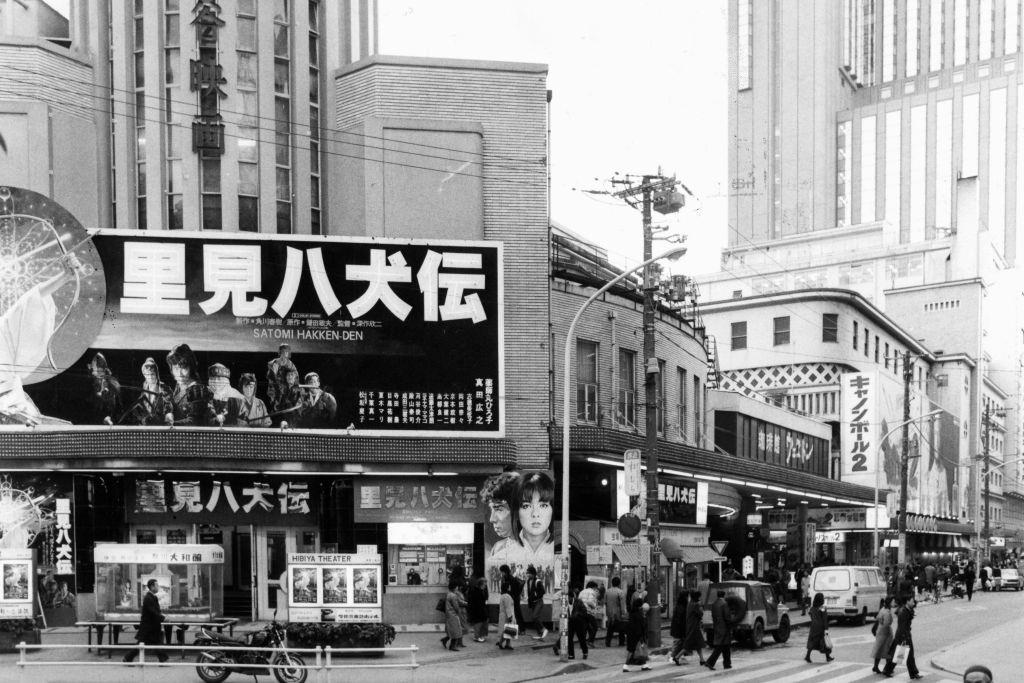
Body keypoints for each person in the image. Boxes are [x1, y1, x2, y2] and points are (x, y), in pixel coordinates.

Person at [165, 343, 214, 426]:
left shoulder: (197, 389)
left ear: (191, 367)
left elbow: (195, 422)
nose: (180, 373)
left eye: (184, 368)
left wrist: (168, 425)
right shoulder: (179, 385)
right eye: (176, 368)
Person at [123, 579, 168, 663]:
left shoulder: (152, 597)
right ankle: (127, 658)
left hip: (151, 626)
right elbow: (153, 611)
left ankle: (163, 659)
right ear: (152, 587)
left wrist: (161, 616)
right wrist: (163, 618)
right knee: (147, 643)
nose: (158, 587)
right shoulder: (148, 598)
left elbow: (155, 611)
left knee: (154, 642)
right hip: (148, 627)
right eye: (156, 585)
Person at [883, 596, 922, 679]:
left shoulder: (906, 610)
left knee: (907, 655)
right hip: (903, 636)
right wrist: (904, 638)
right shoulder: (903, 612)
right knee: (900, 655)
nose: (913, 603)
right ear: (907, 601)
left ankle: (913, 673)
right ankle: (887, 670)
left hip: (904, 635)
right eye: (912, 601)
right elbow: (902, 626)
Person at [88, 352, 122, 424]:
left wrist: (106, 389)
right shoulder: (94, 381)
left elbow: (116, 389)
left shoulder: (108, 379)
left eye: (100, 368)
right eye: (96, 369)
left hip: (109, 410)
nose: (98, 371)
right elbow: (94, 394)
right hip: (98, 411)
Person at [704, 589, 733, 671]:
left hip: (717, 626)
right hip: (724, 627)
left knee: (726, 646)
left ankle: (727, 663)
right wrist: (730, 626)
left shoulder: (714, 604)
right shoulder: (724, 604)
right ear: (724, 595)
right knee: (720, 647)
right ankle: (710, 662)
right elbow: (727, 617)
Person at [623, 594, 651, 672]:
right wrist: (642, 637)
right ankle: (625, 665)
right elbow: (641, 626)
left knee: (634, 650)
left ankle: (644, 665)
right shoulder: (639, 615)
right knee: (636, 650)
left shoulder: (632, 613)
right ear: (640, 606)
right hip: (637, 635)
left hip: (631, 634)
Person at [805, 592, 834, 663]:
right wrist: (826, 629)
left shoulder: (812, 608)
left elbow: (810, 615)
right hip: (820, 627)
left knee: (813, 641)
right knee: (824, 641)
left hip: (814, 626)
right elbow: (824, 619)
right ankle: (828, 657)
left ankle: (807, 656)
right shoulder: (822, 608)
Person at [266, 344, 297, 411]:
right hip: (275, 389)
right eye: (283, 352)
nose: (285, 354)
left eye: (287, 352)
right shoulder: (274, 363)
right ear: (280, 352)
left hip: (287, 390)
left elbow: (295, 378)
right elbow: (271, 379)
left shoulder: (291, 365)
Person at [683, 589, 708, 666]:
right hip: (694, 626)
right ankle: (677, 657)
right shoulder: (695, 605)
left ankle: (702, 659)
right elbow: (701, 613)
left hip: (691, 625)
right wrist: (700, 606)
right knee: (689, 644)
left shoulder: (690, 603)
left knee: (698, 644)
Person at [441, 578, 467, 651]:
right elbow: (456, 606)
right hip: (453, 615)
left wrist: (466, 604)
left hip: (449, 614)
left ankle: (445, 640)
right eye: (457, 586)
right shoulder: (453, 595)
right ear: (455, 587)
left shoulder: (449, 594)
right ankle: (452, 646)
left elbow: (459, 602)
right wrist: (459, 612)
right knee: (456, 630)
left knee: (453, 630)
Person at [871, 596, 895, 674]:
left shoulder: (883, 609)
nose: (894, 603)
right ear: (889, 602)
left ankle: (876, 666)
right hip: (885, 633)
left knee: (880, 650)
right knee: (888, 651)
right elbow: (886, 624)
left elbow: (878, 619)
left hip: (880, 632)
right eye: (893, 601)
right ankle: (888, 668)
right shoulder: (887, 612)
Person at [498, 564, 525, 632]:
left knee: (517, 613)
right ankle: (511, 630)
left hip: (514, 599)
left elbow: (514, 590)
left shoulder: (511, 579)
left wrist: (511, 596)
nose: (501, 573)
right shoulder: (505, 578)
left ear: (505, 571)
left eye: (502, 571)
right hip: (508, 599)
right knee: (510, 614)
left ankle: (521, 629)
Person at [523, 565, 547, 639]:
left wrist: (535, 595)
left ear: (533, 573)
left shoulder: (538, 581)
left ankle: (543, 629)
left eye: (529, 573)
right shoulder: (528, 581)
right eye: (527, 573)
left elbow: (543, 591)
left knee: (535, 616)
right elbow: (529, 592)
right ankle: (540, 634)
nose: (527, 574)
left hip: (539, 602)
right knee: (534, 618)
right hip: (533, 602)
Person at [604, 576, 628, 647]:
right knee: (621, 628)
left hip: (609, 612)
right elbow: (622, 604)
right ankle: (621, 642)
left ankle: (608, 642)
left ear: (612, 583)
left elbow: (605, 602)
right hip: (617, 613)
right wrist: (624, 613)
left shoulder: (607, 591)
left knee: (610, 628)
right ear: (619, 583)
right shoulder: (620, 592)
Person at [467, 576, 489, 643]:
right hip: (477, 610)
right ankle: (477, 637)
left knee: (481, 623)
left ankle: (479, 636)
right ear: (481, 584)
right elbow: (474, 601)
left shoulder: (481, 590)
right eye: (485, 584)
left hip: (481, 609)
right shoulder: (476, 591)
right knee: (478, 623)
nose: (485, 586)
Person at [668, 591, 689, 665]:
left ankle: (679, 656)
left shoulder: (680, 605)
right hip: (679, 628)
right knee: (677, 643)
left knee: (680, 643)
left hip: (679, 628)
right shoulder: (681, 607)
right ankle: (672, 656)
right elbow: (680, 619)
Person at [578, 580, 599, 645]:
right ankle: (590, 641)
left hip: (581, 612)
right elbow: (590, 602)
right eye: (596, 588)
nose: (596, 589)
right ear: (594, 587)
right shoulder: (592, 592)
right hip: (588, 612)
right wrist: (595, 606)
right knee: (595, 626)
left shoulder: (582, 592)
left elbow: (578, 601)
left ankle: (583, 643)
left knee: (585, 627)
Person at [496, 581, 516, 650]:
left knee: (508, 630)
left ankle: (508, 644)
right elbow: (508, 607)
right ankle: (501, 643)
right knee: (507, 630)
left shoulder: (503, 596)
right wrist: (510, 616)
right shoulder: (507, 596)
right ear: (508, 588)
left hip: (503, 615)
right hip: (507, 615)